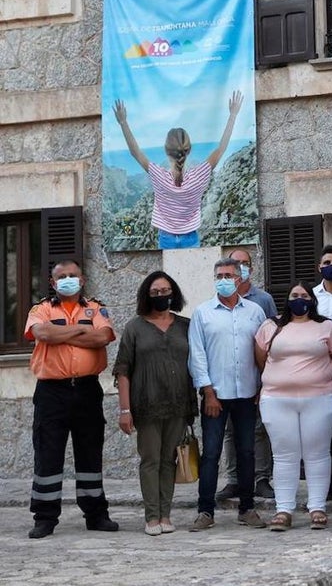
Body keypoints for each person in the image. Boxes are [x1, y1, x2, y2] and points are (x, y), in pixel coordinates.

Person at [25, 260, 119, 539]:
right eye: (62, 276)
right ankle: (44, 518)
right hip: (51, 392)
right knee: (48, 454)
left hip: (88, 389)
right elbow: (42, 333)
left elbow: (103, 337)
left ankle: (96, 514)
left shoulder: (96, 308)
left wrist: (61, 335)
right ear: (53, 283)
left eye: (73, 275)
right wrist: (81, 330)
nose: (68, 279)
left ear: (83, 279)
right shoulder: (41, 309)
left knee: (90, 452)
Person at [113, 271, 198, 535]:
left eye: (165, 291)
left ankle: (165, 515)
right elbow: (123, 370)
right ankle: (152, 516)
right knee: (150, 460)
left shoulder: (186, 325)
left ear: (174, 293)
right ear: (146, 296)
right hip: (146, 404)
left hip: (178, 403)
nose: (161, 295)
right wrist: (125, 409)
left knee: (169, 461)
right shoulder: (135, 327)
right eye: (155, 292)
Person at [187, 257, 268, 532]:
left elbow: (263, 350)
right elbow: (197, 354)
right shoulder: (202, 313)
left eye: (229, 275)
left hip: (247, 393)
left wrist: (262, 385)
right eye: (219, 275)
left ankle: (247, 508)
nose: (224, 280)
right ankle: (205, 511)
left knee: (247, 452)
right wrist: (208, 391)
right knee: (211, 453)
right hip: (216, 395)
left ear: (239, 278)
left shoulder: (255, 312)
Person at [255, 283, 332, 531]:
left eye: (304, 295)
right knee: (284, 454)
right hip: (276, 399)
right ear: (287, 299)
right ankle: (284, 509)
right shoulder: (271, 326)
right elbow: (260, 358)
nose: (299, 299)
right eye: (294, 295)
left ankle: (317, 508)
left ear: (313, 300)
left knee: (318, 453)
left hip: (320, 398)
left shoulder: (326, 326)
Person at [113, 90, 242, 249]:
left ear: (166, 150)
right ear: (189, 150)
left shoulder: (158, 175)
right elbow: (221, 149)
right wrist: (233, 115)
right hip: (191, 238)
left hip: (166, 239)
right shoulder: (199, 175)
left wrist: (123, 122)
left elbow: (135, 152)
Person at [218, 247, 275, 502]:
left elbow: (272, 336)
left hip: (256, 377)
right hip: (227, 381)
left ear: (251, 268)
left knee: (259, 429)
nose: (240, 267)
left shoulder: (263, 300)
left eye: (244, 263)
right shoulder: (216, 301)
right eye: (235, 262)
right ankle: (234, 480)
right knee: (230, 432)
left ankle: (261, 478)